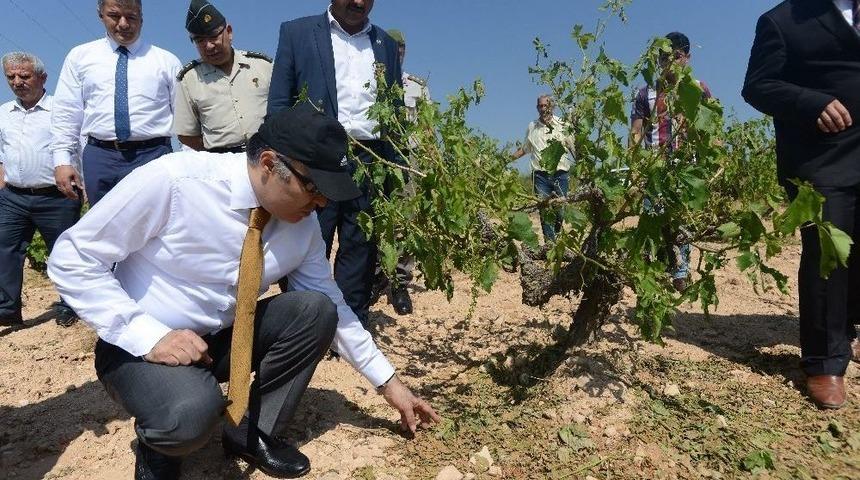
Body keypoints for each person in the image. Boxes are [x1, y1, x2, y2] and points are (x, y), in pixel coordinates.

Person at [47, 103, 439, 480]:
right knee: (189, 413)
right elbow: (72, 257)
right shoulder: (174, 182)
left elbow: (333, 304)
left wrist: (389, 384)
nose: (321, 202)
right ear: (269, 164)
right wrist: (149, 336)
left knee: (316, 310)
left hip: (221, 339)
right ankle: (160, 447)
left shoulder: (301, 226)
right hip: (141, 347)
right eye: (314, 187)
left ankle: (250, 433)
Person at [742, 0, 860, 410]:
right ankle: (825, 361)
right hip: (820, 158)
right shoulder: (783, 20)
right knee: (828, 251)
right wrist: (811, 103)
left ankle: (848, 328)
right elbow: (757, 86)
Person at [268, 0, 403, 326]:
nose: (358, 2)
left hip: (370, 160)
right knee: (307, 242)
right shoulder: (298, 33)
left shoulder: (384, 44)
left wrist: (395, 168)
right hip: (315, 159)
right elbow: (279, 104)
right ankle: (304, 326)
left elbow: (395, 109)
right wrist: (285, 164)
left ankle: (351, 327)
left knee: (360, 247)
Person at [51, 0, 181, 205]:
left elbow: (184, 117)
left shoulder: (167, 61)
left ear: (141, 18)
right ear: (100, 15)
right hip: (100, 158)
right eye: (114, 15)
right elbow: (66, 111)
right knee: (103, 222)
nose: (123, 24)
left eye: (131, 17)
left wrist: (187, 161)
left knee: (153, 220)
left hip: (153, 156)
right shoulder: (79, 57)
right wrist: (62, 160)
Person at [0, 52, 81, 327]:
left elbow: (78, 147)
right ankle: (7, 309)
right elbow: (2, 156)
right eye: (10, 77)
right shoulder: (3, 113)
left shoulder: (62, 110)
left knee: (64, 253)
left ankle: (70, 305)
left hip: (57, 197)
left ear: (43, 77)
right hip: (13, 196)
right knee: (5, 249)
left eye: (24, 76)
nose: (17, 82)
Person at [630, 31, 712, 293]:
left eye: (676, 56)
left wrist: (713, 161)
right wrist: (635, 166)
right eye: (664, 57)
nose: (670, 62)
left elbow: (709, 129)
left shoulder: (699, 89)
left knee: (680, 220)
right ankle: (652, 271)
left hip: (685, 166)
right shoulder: (646, 93)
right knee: (652, 218)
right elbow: (635, 132)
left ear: (687, 57)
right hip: (654, 165)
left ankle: (680, 272)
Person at [174, 0, 273, 154]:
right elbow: (186, 135)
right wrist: (217, 154)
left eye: (213, 36)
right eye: (200, 40)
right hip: (221, 161)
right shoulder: (189, 79)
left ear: (229, 32)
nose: (209, 46)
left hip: (266, 155)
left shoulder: (263, 66)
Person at [511, 94, 575, 243]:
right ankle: (549, 245)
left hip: (560, 173)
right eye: (540, 106)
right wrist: (506, 159)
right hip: (540, 176)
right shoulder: (532, 126)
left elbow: (572, 146)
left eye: (546, 105)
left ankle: (556, 235)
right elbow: (525, 148)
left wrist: (581, 164)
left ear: (552, 106)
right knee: (544, 210)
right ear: (537, 108)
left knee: (560, 210)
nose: (543, 108)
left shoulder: (563, 124)